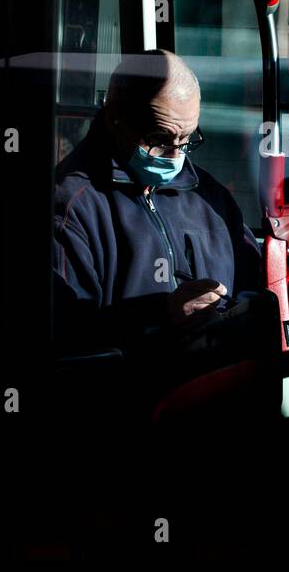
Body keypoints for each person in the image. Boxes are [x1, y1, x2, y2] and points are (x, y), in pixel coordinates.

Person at [52, 49, 265, 359]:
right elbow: (67, 337)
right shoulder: (73, 207)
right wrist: (160, 317)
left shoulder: (210, 197)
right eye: (161, 140)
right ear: (115, 119)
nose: (176, 157)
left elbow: (256, 284)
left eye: (187, 141)